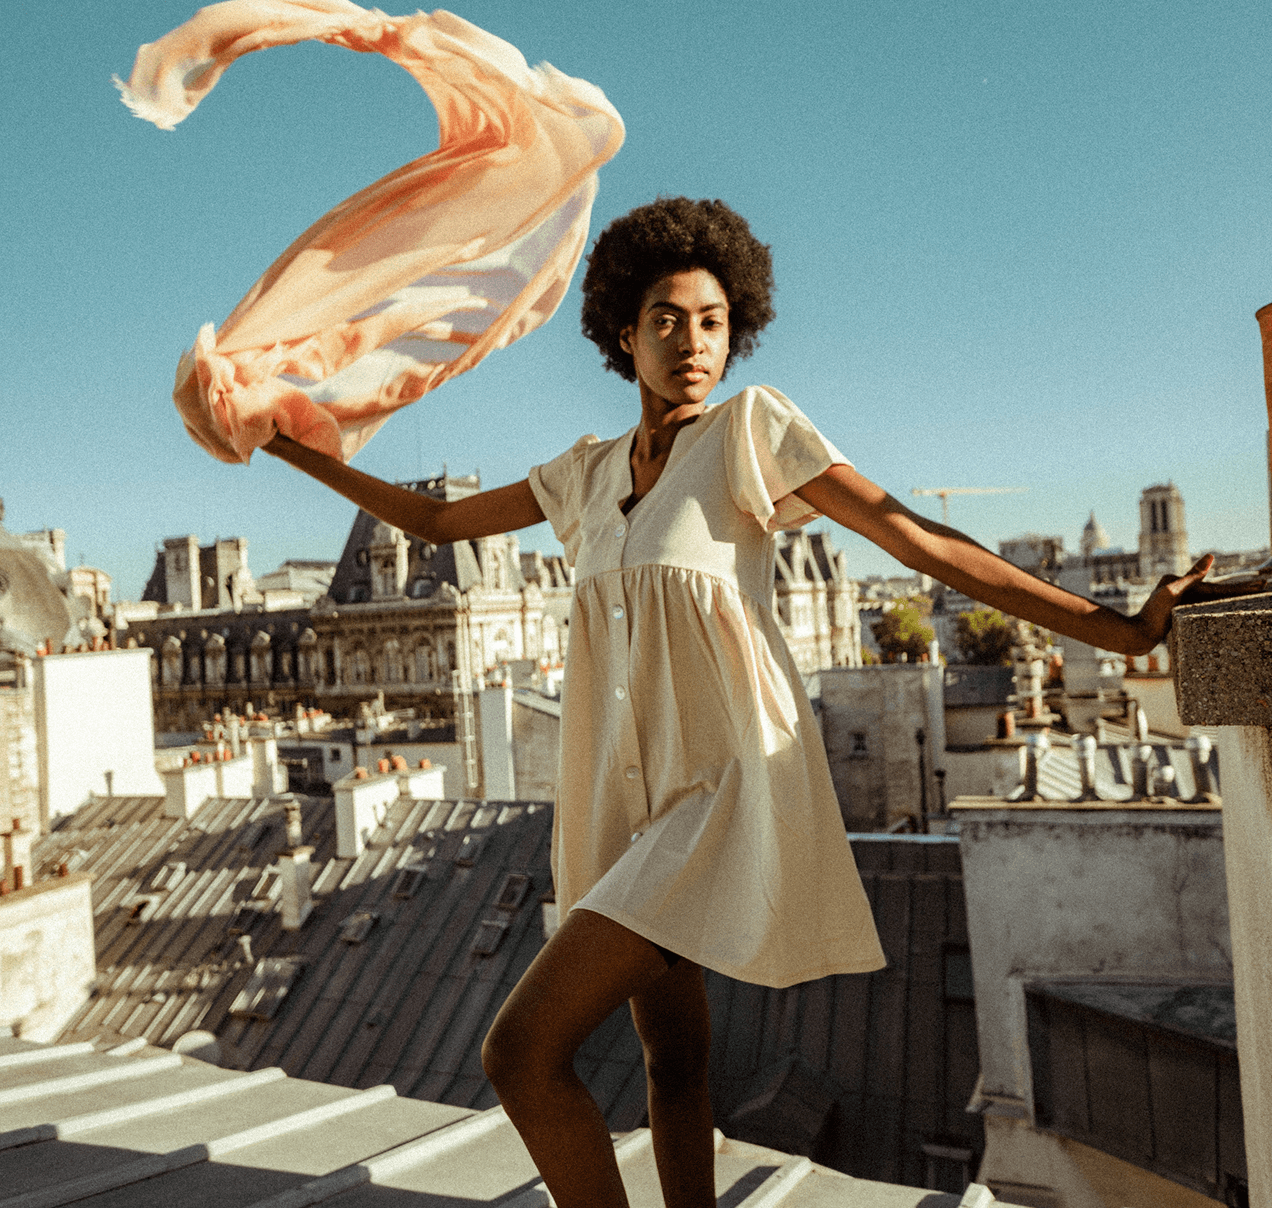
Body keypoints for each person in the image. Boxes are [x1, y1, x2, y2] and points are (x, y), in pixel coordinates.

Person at [265, 196, 1212, 1208]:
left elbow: (915, 538)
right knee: (674, 1063)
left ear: (737, 332)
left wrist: (1122, 630)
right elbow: (436, 521)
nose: (693, 342)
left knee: (520, 1052)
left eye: (713, 321)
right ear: (622, 335)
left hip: (717, 795)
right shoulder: (584, 475)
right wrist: (289, 446)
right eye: (667, 319)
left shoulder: (751, 432)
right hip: (620, 805)